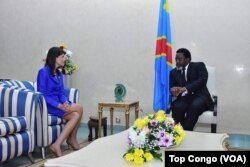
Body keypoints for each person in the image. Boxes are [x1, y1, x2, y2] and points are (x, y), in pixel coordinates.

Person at [37, 47, 83, 157]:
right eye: (62, 57)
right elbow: (42, 94)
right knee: (79, 108)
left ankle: (57, 144)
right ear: (55, 58)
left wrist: (65, 103)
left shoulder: (59, 74)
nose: (64, 59)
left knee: (75, 115)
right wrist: (58, 105)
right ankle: (71, 139)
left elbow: (61, 93)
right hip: (48, 105)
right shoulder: (43, 72)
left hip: (59, 104)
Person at [170, 48, 214, 131]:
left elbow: (202, 80)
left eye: (180, 59)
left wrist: (185, 88)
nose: (177, 61)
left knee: (194, 106)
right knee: (176, 107)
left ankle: (183, 132)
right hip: (184, 98)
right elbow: (172, 87)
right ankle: (176, 131)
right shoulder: (173, 72)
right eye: (176, 59)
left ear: (188, 59)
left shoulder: (199, 66)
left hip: (200, 97)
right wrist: (173, 91)